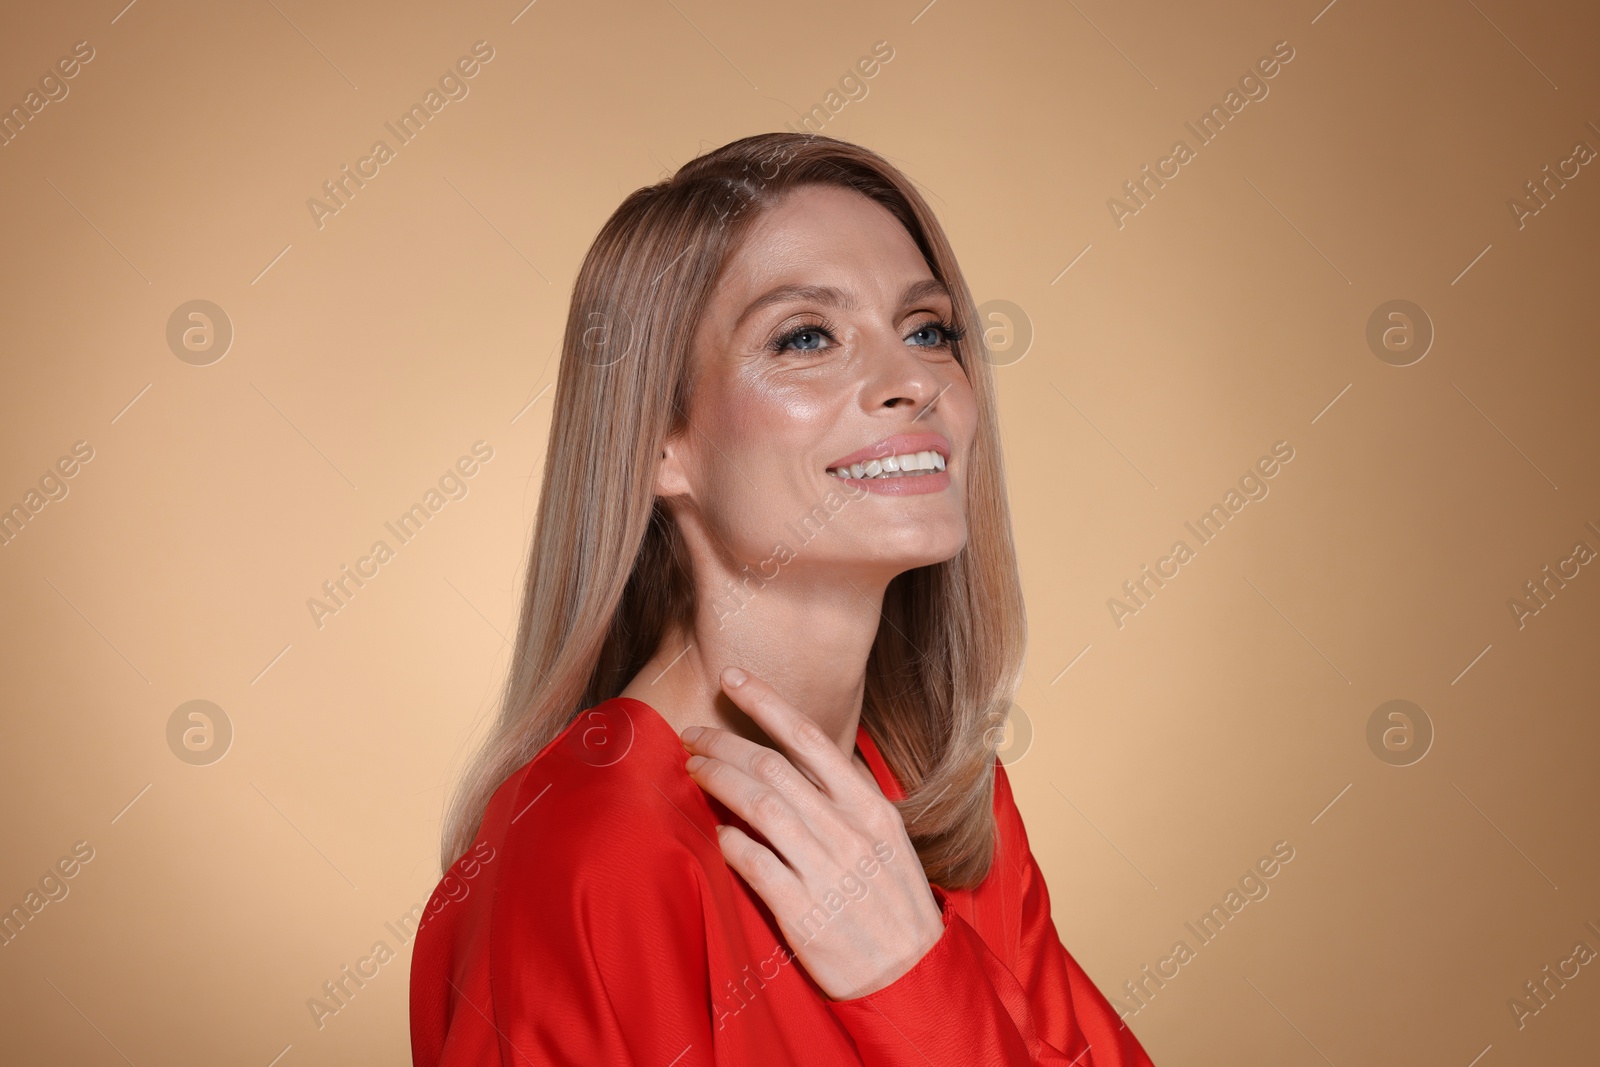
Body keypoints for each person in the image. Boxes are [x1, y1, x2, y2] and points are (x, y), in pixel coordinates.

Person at [409, 131, 1157, 1066]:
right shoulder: (582, 853)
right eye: (806, 336)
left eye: (928, 330)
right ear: (658, 444)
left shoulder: (944, 805)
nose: (913, 382)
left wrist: (919, 980)